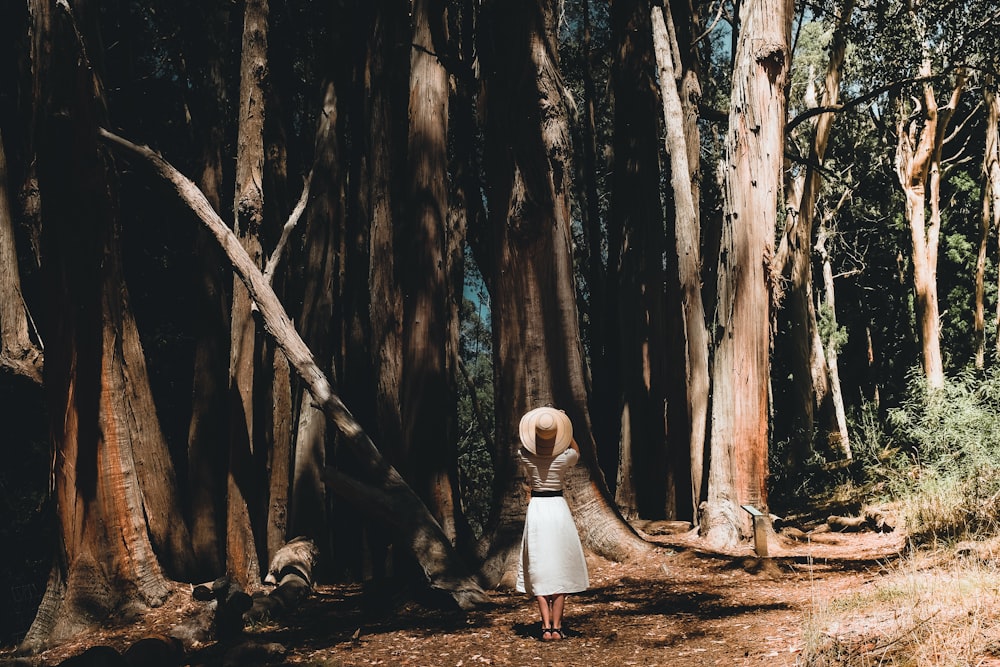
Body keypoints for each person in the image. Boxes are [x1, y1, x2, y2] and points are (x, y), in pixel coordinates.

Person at [515, 406, 589, 641]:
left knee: (539, 567)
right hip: (557, 510)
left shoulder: (526, 456)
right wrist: (565, 424)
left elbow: (522, 446)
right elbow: (576, 449)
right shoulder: (565, 457)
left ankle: (545, 628)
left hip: (537, 510)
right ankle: (557, 628)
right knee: (559, 566)